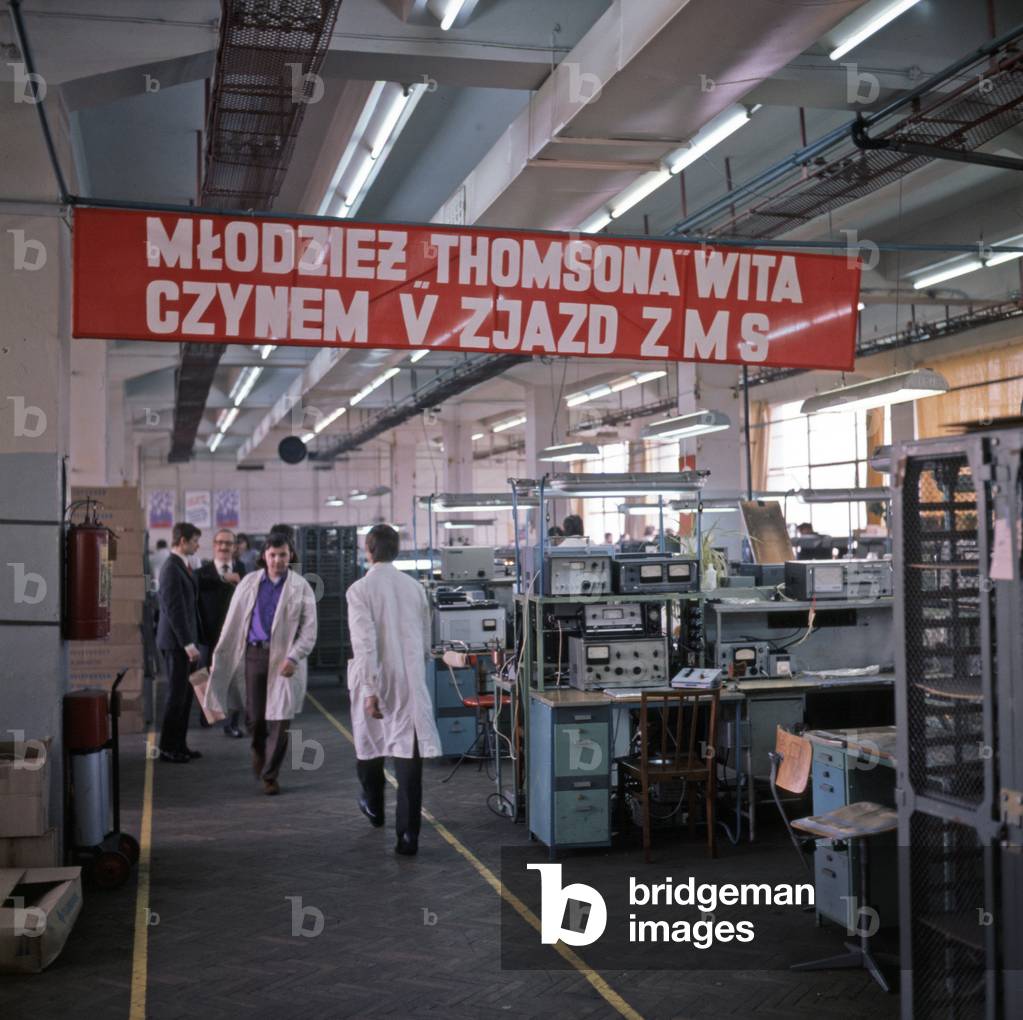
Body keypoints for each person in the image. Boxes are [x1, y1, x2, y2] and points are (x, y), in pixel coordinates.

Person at [346, 524, 442, 856]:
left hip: (376, 680)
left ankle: (373, 804)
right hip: (410, 682)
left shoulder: (358, 590)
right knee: (407, 760)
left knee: (369, 751)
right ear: (397, 550)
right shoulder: (416, 588)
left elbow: (364, 643)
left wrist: (370, 689)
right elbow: (428, 639)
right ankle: (407, 837)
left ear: (368, 550)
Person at [207, 534, 318, 795]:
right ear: (264, 556)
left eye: (283, 554)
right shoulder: (249, 583)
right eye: (273, 555)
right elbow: (232, 623)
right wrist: (219, 657)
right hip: (254, 656)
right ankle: (258, 749)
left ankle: (271, 774)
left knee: (281, 718)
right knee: (255, 718)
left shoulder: (301, 587)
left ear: (290, 556)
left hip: (285, 659)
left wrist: (294, 656)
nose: (278, 560)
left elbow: (309, 630)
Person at [156, 523, 205, 764]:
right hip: (176, 644)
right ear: (182, 541)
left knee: (186, 696)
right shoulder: (170, 569)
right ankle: (167, 747)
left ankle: (180, 744)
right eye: (195, 540)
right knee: (176, 696)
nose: (198, 545)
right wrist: (187, 643)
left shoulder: (183, 566)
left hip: (185, 641)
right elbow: (174, 610)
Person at [196, 529, 246, 739]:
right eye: (220, 543)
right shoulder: (202, 572)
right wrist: (225, 578)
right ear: (214, 545)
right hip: (207, 634)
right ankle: (207, 714)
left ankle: (232, 724)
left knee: (235, 678)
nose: (224, 547)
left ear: (234, 547)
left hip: (234, 635)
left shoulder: (243, 569)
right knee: (204, 676)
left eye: (228, 543)